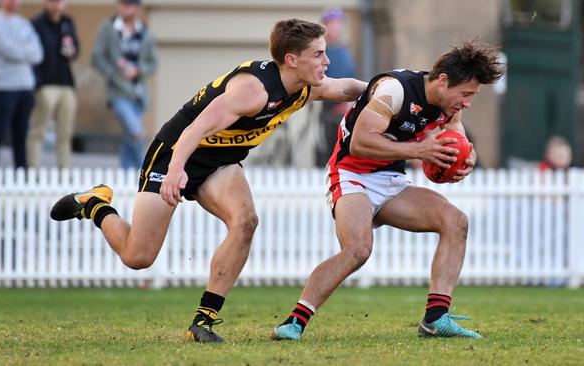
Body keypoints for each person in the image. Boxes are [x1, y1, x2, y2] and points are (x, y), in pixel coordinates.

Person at [50, 19, 367, 343]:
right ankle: (95, 205)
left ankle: (203, 321)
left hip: (218, 162)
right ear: (291, 60)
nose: (326, 61)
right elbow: (194, 130)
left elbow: (344, 88)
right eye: (318, 54)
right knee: (138, 256)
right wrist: (176, 170)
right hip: (175, 153)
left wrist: (385, 90)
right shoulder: (252, 91)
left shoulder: (304, 88)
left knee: (245, 221)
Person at [272, 40, 505, 341]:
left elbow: (454, 132)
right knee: (358, 249)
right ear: (443, 80)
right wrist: (420, 150)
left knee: (455, 221)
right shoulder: (394, 90)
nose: (468, 103)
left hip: (391, 179)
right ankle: (294, 322)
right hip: (351, 174)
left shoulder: (448, 105)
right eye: (467, 94)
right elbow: (360, 142)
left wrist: (465, 155)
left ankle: (436, 318)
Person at [91, 0, 157, 169]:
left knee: (130, 137)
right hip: (118, 92)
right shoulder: (108, 28)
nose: (128, 8)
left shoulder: (144, 32)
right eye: (125, 4)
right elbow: (97, 58)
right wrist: (114, 73)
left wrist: (138, 70)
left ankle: (126, 176)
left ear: (138, 7)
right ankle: (145, 171)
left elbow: (153, 63)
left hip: (138, 93)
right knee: (136, 133)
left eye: (132, 4)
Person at [27, 0, 79, 168]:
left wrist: (72, 50)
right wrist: (38, 83)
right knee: (38, 130)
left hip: (66, 84)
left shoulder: (67, 22)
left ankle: (64, 172)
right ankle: (33, 171)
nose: (56, 5)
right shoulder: (36, 24)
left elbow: (76, 49)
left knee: (65, 133)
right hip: (46, 84)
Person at [0, 0, 43, 169]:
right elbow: (8, 50)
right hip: (3, 87)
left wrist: (23, 51)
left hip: (25, 86)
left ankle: (21, 173)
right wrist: (25, 51)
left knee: (21, 135)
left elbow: (37, 53)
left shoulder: (23, 24)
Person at [315, 7, 357, 166]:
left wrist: (347, 103)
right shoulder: (322, 51)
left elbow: (350, 76)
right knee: (328, 149)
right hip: (328, 108)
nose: (335, 27)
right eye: (331, 24)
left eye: (337, 24)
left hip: (345, 108)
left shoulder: (344, 51)